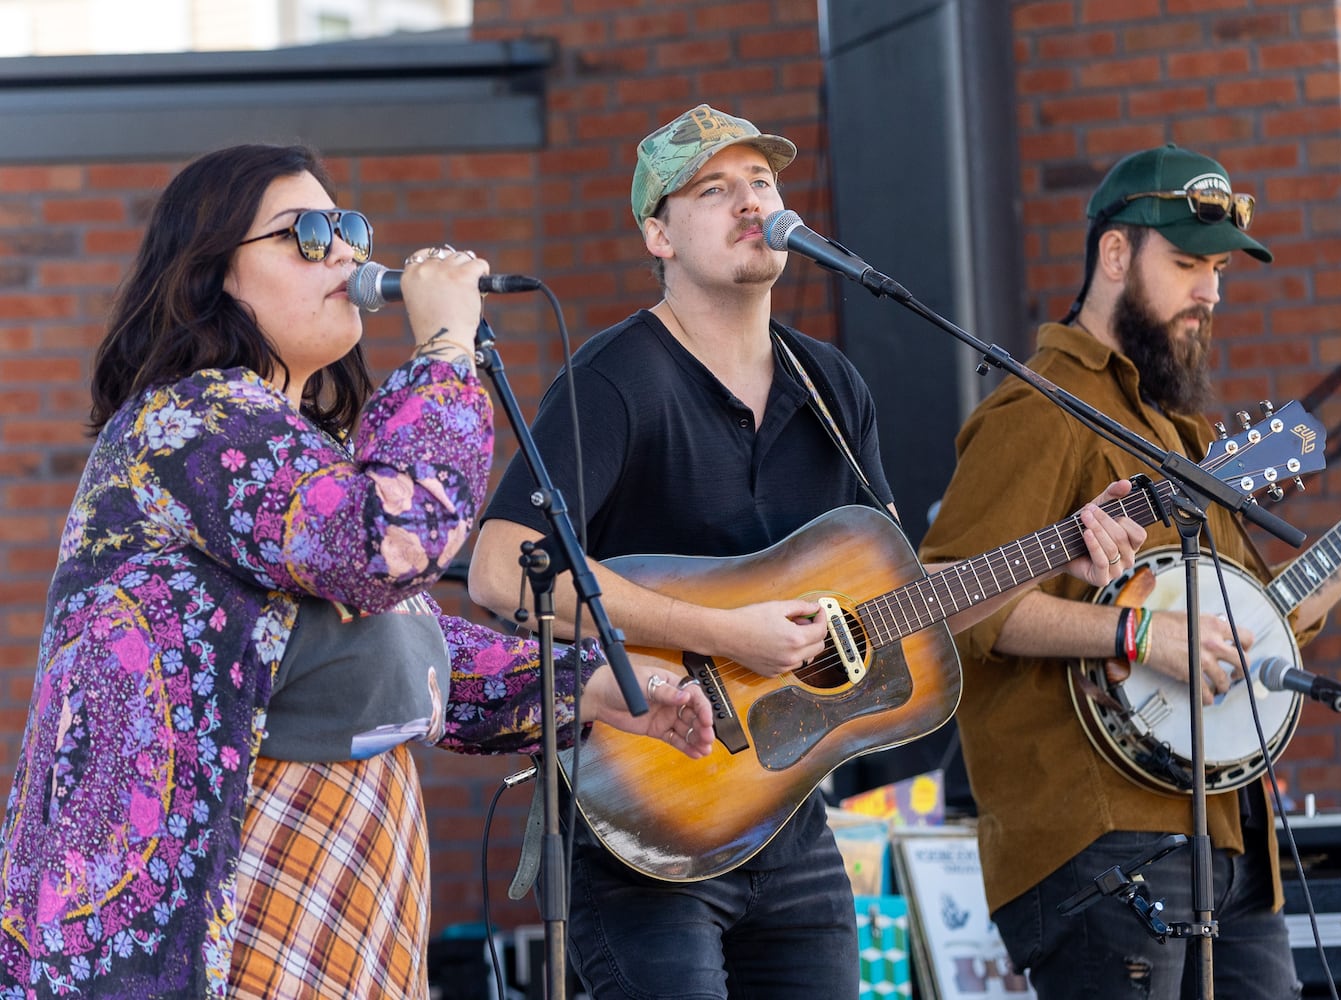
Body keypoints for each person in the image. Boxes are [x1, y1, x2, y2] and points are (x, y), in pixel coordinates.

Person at [0, 143, 713, 1000]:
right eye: (305, 233)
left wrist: (589, 687)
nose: (344, 251)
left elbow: (401, 637)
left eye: (348, 227)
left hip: (328, 878)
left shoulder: (300, 453)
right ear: (214, 275)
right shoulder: (187, 424)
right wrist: (446, 349)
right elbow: (390, 548)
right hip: (213, 902)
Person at [468, 105, 1144, 999]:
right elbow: (500, 566)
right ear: (656, 234)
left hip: (791, 826)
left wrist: (1059, 552)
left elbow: (902, 597)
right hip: (648, 821)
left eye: (763, 182)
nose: (752, 202)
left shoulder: (830, 385)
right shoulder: (615, 379)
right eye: (715, 189)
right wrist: (725, 631)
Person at [918, 143, 1341, 999]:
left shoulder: (1179, 437)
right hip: (1100, 836)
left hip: (1227, 833)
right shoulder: (1038, 411)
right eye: (1185, 263)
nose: (1210, 291)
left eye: (1216, 268)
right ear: (1114, 255)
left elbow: (1262, 622)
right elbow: (944, 606)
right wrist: (1137, 632)